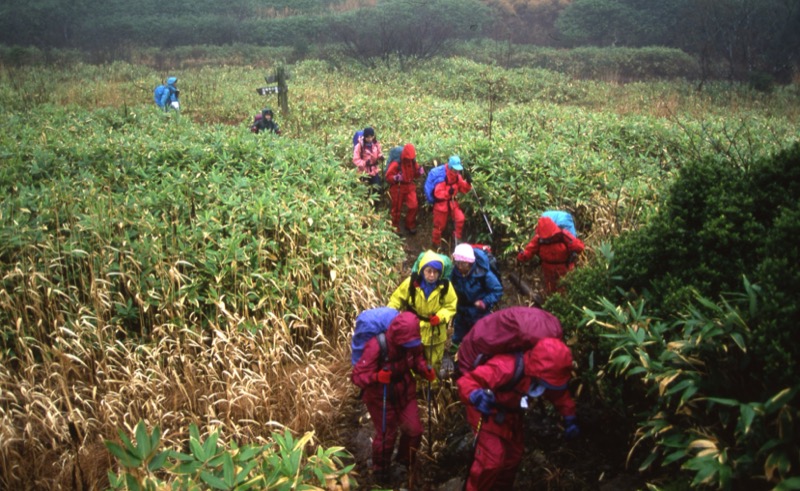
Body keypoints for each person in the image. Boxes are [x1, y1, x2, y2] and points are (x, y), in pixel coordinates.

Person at [457, 337, 579, 491]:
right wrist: (475, 395)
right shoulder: (506, 366)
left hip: (511, 416)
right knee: (492, 460)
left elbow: (559, 394)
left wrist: (569, 417)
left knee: (512, 458)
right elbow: (468, 381)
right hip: (486, 410)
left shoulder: (544, 375)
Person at [352, 311, 437, 478]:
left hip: (405, 391)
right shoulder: (377, 346)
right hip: (380, 396)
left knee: (415, 431)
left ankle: (404, 463)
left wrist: (423, 369)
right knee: (387, 436)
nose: (411, 346)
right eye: (408, 343)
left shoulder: (412, 343)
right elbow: (357, 376)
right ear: (397, 337)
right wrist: (377, 377)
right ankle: (380, 469)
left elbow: (417, 357)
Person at [387, 250, 457, 371]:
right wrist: (390, 318)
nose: (432, 275)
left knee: (434, 361)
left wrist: (440, 317)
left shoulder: (445, 286)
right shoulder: (411, 283)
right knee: (412, 358)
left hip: (435, 331)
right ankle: (416, 386)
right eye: (428, 271)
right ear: (422, 270)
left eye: (435, 272)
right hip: (413, 328)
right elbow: (396, 300)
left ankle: (432, 385)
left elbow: (451, 305)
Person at [450, 243, 504, 349]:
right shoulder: (455, 272)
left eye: (463, 264)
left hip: (479, 312)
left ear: (470, 263)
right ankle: (456, 359)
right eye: (458, 263)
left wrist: (485, 302)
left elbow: (497, 290)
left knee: (479, 339)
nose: (460, 267)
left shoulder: (483, 273)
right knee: (458, 338)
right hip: (461, 311)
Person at [516, 214, 585, 295]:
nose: (548, 239)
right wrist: (521, 256)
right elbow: (529, 251)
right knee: (551, 292)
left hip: (565, 268)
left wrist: (572, 247)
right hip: (548, 271)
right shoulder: (539, 239)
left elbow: (579, 247)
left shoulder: (563, 235)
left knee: (566, 290)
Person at [431, 155, 472, 249]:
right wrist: (448, 192)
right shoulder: (442, 177)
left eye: (458, 170)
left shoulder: (457, 177)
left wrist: (468, 183)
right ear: (450, 167)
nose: (457, 171)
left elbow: (463, 188)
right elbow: (437, 194)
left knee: (460, 218)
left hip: (452, 203)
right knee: (439, 226)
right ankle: (436, 243)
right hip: (441, 206)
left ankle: (456, 238)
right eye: (455, 169)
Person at [385, 143, 425, 235]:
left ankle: (410, 224)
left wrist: (419, 172)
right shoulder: (396, 163)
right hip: (397, 187)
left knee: (413, 205)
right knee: (396, 208)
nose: (409, 160)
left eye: (411, 158)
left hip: (409, 186)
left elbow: (415, 174)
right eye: (408, 158)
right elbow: (388, 177)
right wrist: (395, 178)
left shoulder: (413, 162)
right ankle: (394, 226)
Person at [353, 127, 384, 200]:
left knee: (377, 188)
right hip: (363, 172)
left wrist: (380, 157)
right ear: (364, 137)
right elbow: (355, 159)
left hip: (374, 170)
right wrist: (364, 163)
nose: (370, 139)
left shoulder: (376, 144)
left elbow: (379, 153)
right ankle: (365, 205)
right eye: (368, 137)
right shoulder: (359, 146)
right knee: (364, 190)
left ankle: (375, 205)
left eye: (371, 137)